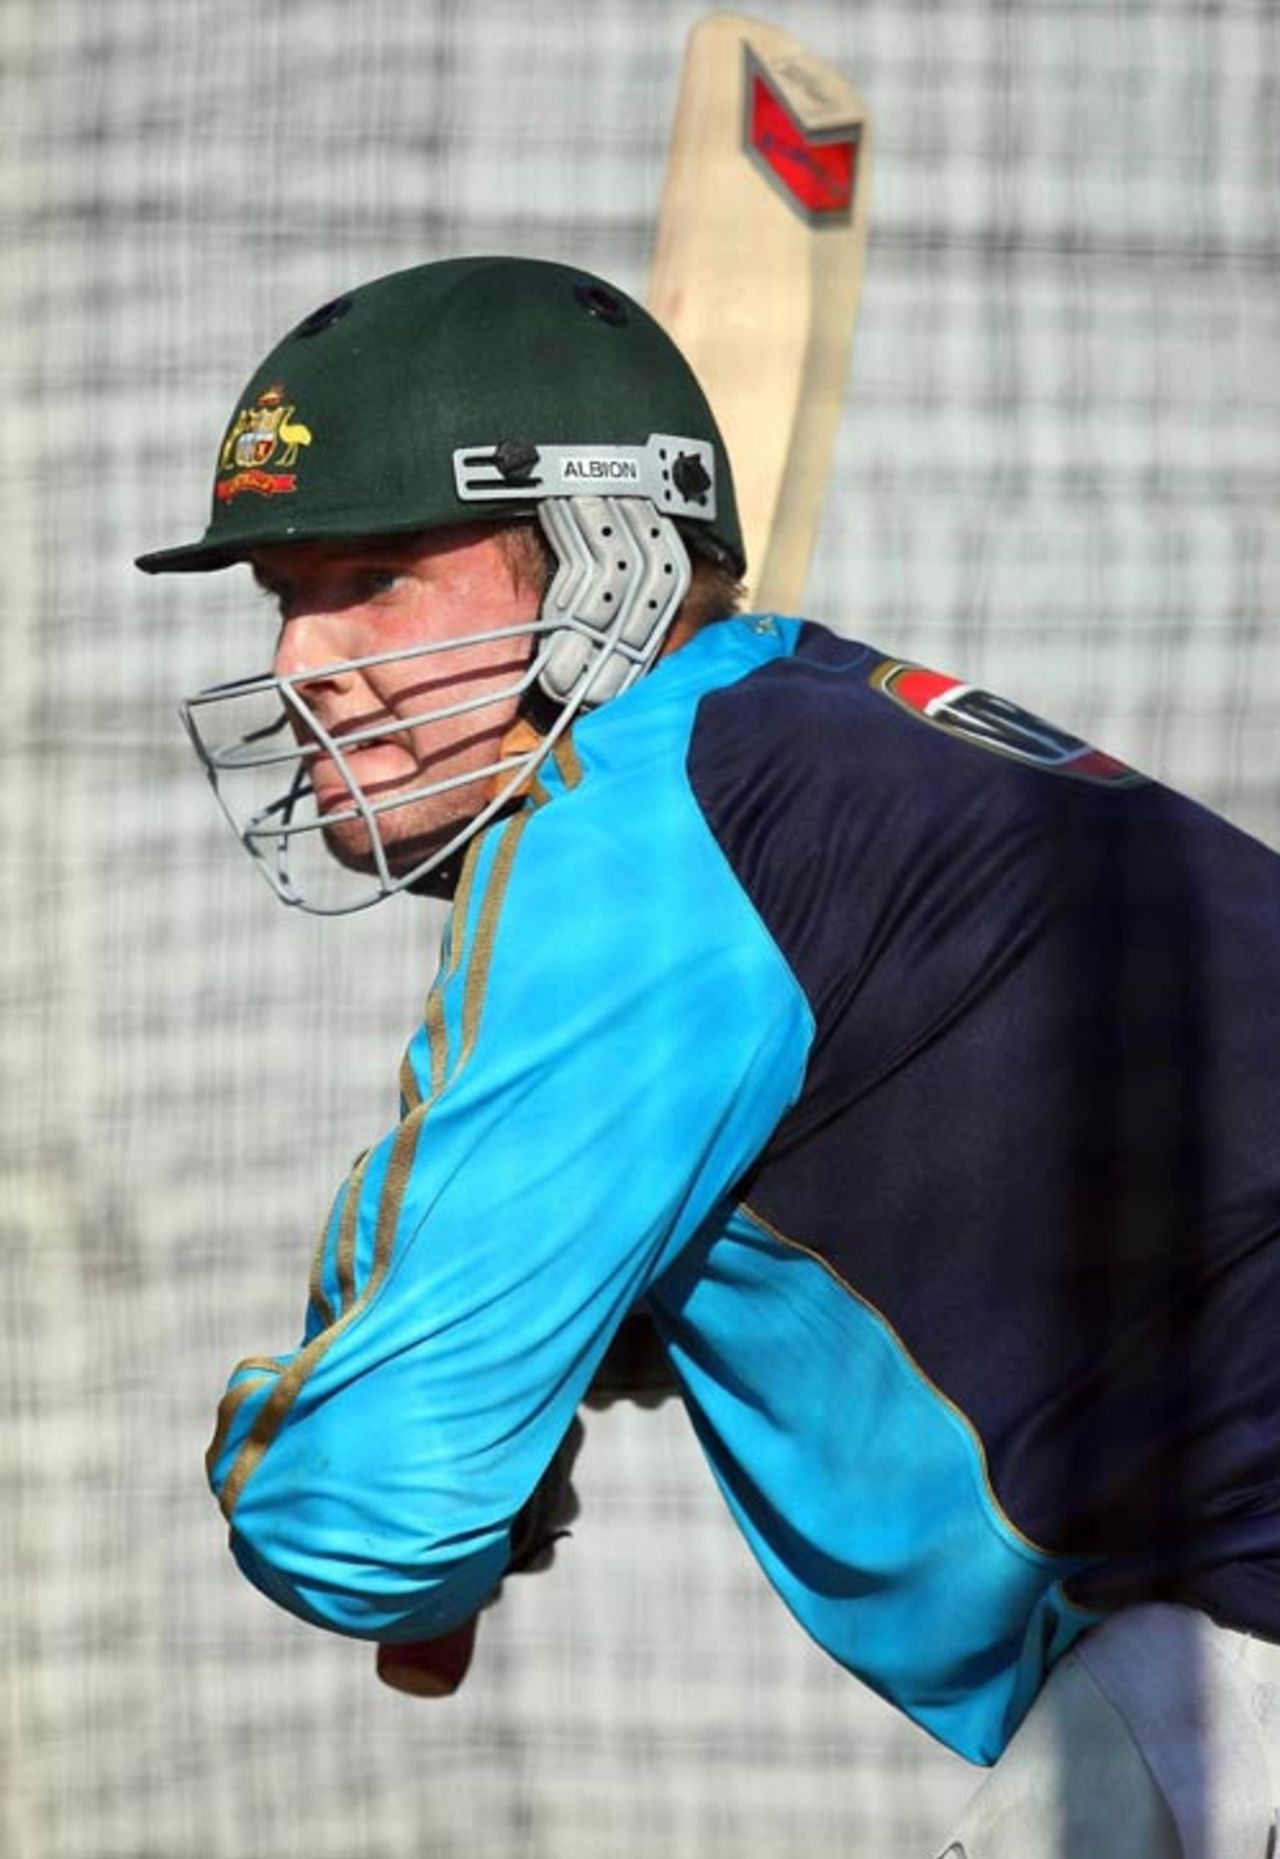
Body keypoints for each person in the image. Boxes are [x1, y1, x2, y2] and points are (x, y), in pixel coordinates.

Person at [138, 255, 1280, 1857]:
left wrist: (356, 1424)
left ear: (608, 557)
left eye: (376, 577)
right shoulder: (832, 735)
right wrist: (608, 1326)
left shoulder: (638, 829)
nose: (304, 662)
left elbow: (370, 1513)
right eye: (285, 597)